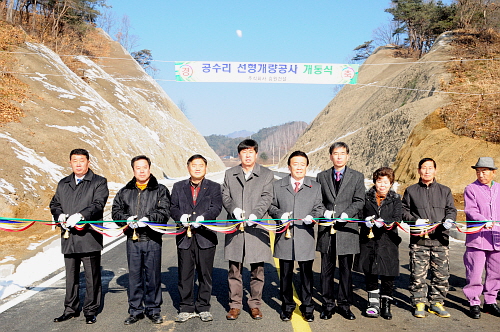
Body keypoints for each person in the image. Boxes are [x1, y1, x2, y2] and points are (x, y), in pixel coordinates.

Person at [50, 148, 109, 325]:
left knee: (91, 277)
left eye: (81, 160)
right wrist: (59, 214)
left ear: (88, 162)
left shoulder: (98, 182)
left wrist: (81, 215)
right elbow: (54, 203)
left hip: (89, 237)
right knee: (71, 276)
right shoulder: (63, 183)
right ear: (70, 163)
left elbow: (98, 204)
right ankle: (70, 309)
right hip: (69, 237)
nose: (78, 164)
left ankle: (90, 311)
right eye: (74, 160)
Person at [112, 155, 171, 325]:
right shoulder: (125, 191)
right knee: (135, 277)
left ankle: (153, 309)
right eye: (138, 168)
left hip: (152, 239)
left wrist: (148, 219)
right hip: (133, 240)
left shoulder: (160, 190)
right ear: (133, 170)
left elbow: (164, 211)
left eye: (144, 167)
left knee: (152, 276)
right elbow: (116, 211)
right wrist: (126, 220)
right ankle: (135, 310)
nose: (142, 170)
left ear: (150, 169)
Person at [268, 151, 325, 322]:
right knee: (285, 275)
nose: (299, 167)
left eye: (302, 164)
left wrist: (313, 216)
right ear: (289, 166)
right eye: (295, 164)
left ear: (307, 167)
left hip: (304, 237)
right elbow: (271, 206)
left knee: (307, 276)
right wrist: (279, 214)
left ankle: (307, 308)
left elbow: (320, 207)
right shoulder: (278, 186)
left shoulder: (315, 187)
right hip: (284, 237)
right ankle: (287, 307)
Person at [222, 139, 274, 320]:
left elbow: (267, 197)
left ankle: (255, 304)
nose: (247, 155)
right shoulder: (230, 174)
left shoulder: (266, 174)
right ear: (239, 155)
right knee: (234, 269)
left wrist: (256, 214)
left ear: (256, 154)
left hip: (256, 228)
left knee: (257, 269)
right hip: (235, 228)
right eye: (244, 152)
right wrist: (233, 209)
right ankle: (235, 305)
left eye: (251, 152)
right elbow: (225, 195)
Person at [170, 155, 223, 323]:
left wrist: (204, 218)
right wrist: (181, 217)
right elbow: (173, 207)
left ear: (206, 168)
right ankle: (185, 307)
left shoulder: (214, 187)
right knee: (185, 273)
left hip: (205, 236)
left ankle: (203, 307)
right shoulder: (178, 187)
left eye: (201, 165)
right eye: (194, 165)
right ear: (188, 168)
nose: (198, 168)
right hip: (184, 237)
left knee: (205, 274)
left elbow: (216, 207)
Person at [402, 157, 457, 318]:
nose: (427, 171)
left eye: (430, 168)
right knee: (418, 273)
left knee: (441, 273)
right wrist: (414, 221)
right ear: (419, 170)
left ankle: (436, 303)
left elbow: (451, 209)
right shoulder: (411, 190)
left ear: (435, 170)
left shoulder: (444, 190)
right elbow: (403, 211)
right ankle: (419, 302)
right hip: (419, 240)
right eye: (424, 168)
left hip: (440, 239)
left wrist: (449, 220)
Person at [316, 141, 365, 320]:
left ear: (348, 156)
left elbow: (359, 200)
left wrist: (347, 213)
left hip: (347, 229)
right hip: (327, 230)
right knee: (326, 271)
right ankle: (327, 305)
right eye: (335, 153)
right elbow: (317, 201)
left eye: (342, 153)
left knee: (345, 271)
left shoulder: (357, 177)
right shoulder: (321, 176)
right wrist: (324, 212)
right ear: (330, 156)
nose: (339, 156)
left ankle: (344, 305)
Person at [355, 167, 402, 320]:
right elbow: (360, 214)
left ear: (391, 183)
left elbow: (397, 217)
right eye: (379, 181)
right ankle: (373, 303)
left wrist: (387, 223)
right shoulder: (366, 197)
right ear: (374, 181)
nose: (382, 185)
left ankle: (386, 304)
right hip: (369, 240)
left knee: (388, 272)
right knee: (371, 270)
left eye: (386, 182)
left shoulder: (396, 199)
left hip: (388, 240)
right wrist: (366, 221)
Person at [463, 157, 500, 319]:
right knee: (475, 272)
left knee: (495, 272)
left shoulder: (499, 189)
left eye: (484, 171)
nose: (481, 174)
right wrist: (484, 221)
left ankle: (490, 301)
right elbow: (470, 210)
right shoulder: (470, 189)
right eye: (478, 171)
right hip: (477, 238)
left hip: (497, 238)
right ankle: (474, 302)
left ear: (493, 172)